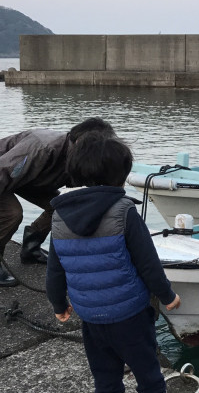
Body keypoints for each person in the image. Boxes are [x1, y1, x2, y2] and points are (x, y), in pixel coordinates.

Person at [46, 131, 181, 393]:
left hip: (91, 315)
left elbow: (55, 269)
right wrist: (167, 296)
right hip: (130, 314)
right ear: (119, 176)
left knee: (104, 373)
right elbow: (148, 264)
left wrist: (58, 303)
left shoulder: (58, 216)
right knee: (147, 369)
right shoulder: (124, 211)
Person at [0, 117, 115, 287]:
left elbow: (77, 193)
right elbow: (4, 172)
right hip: (5, 174)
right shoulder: (42, 147)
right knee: (12, 214)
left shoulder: (80, 157)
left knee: (62, 207)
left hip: (30, 179)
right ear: (81, 142)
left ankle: (31, 249)